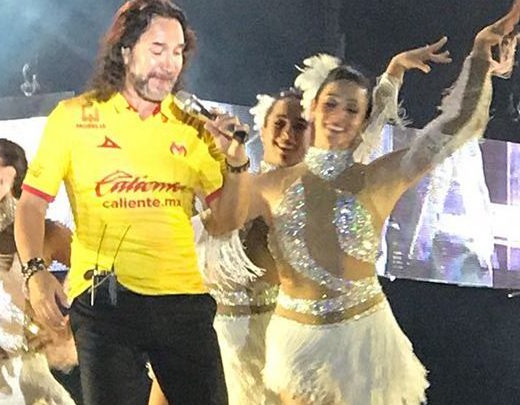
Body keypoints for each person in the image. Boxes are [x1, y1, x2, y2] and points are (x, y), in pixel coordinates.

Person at [149, 40, 451, 405]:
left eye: (299, 125)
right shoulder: (239, 185)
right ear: (262, 129)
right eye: (279, 123)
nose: (288, 134)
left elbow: (365, 130)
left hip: (277, 346)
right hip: (209, 337)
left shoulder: (311, 190)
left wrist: (393, 74)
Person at [248, 4, 519, 404]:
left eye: (352, 110)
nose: (339, 116)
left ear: (362, 121)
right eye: (331, 104)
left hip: (362, 344)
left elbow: (451, 128)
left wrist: (480, 53)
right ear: (312, 108)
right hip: (289, 343)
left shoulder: (374, 177)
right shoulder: (269, 183)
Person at [14, 1, 252, 404]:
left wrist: (236, 161)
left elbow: (226, 221)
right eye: (157, 49)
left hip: (182, 301)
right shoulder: (73, 117)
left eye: (178, 52)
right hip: (104, 301)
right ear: (125, 51)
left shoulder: (194, 127)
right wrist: (35, 274)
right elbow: (32, 204)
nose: (169, 64)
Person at [0, 138, 81, 404]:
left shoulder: (47, 235)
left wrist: (68, 330)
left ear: (8, 175)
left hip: (27, 376)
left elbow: (98, 271)